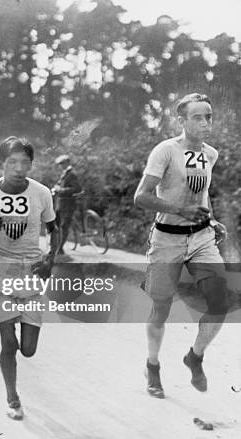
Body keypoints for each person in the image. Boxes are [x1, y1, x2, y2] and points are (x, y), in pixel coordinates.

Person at [134, 93, 229, 399]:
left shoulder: (210, 154)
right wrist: (180, 211)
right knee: (161, 307)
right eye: (197, 117)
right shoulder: (166, 151)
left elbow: (202, 196)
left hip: (202, 239)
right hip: (167, 239)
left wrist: (212, 220)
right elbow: (141, 196)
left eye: (208, 117)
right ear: (182, 121)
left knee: (220, 303)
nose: (204, 123)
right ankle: (152, 365)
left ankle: (195, 356)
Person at [0, 136, 58, 420]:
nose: (19, 168)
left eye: (25, 162)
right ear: (0, 164)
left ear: (31, 164)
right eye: (12, 162)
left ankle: (15, 385)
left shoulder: (41, 193)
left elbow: (55, 229)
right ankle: (12, 398)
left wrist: (50, 259)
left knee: (28, 349)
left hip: (32, 269)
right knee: (9, 343)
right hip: (1, 269)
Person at [51, 154, 81, 254]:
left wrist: (61, 190)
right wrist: (55, 189)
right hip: (60, 204)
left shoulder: (72, 174)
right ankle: (55, 246)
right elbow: (59, 185)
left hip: (68, 204)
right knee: (56, 225)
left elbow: (76, 189)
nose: (61, 165)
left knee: (64, 226)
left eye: (63, 163)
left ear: (68, 162)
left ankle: (60, 248)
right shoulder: (65, 173)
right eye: (60, 164)